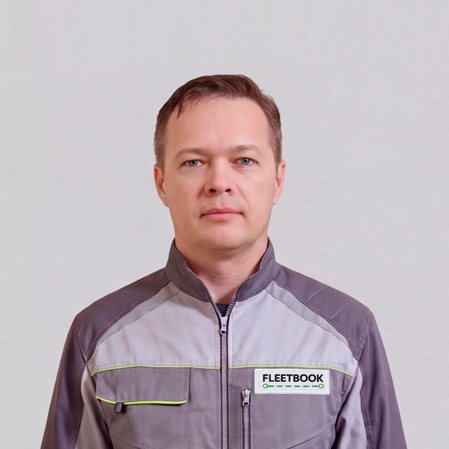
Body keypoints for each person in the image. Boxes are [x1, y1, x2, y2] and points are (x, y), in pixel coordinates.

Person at [41, 75, 407, 449]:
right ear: (162, 183)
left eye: (244, 160)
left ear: (277, 179)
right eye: (194, 161)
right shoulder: (99, 338)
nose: (219, 182)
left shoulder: (347, 336)